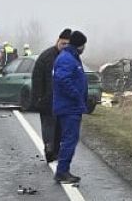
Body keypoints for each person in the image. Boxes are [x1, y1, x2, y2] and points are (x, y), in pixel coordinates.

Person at [51, 30, 89, 185]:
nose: (84, 48)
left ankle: (63, 170)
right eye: (84, 45)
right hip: (69, 107)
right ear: (79, 45)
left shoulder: (71, 57)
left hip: (71, 106)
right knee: (69, 139)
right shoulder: (67, 59)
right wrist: (76, 95)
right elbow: (63, 79)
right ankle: (62, 172)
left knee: (70, 139)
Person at [31, 28, 72, 163]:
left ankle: (56, 151)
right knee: (49, 126)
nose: (65, 46)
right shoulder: (46, 57)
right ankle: (49, 150)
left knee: (60, 128)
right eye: (63, 43)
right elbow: (37, 78)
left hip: (63, 101)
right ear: (57, 41)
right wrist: (38, 97)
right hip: (47, 99)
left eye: (68, 44)